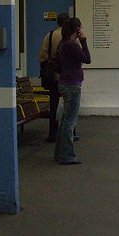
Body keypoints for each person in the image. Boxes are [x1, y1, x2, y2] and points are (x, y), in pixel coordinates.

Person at [54, 17, 91, 165]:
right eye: (81, 28)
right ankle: (67, 155)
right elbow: (87, 59)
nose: (82, 30)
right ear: (77, 30)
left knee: (64, 121)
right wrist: (84, 41)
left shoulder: (63, 44)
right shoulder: (71, 45)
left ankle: (60, 154)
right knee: (70, 122)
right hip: (72, 85)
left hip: (65, 83)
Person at [39, 12, 69, 142]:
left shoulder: (50, 36)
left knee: (54, 105)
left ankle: (53, 133)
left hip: (53, 77)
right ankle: (70, 132)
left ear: (57, 22)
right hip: (67, 76)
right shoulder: (70, 37)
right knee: (69, 106)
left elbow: (42, 56)